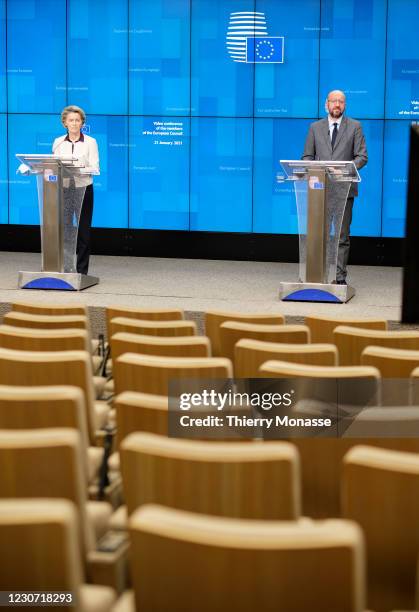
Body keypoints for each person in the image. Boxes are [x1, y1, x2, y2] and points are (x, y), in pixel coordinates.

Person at [302, 90, 367, 285]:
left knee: (341, 236)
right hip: (319, 190)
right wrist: (315, 170)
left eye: (340, 101)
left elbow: (362, 156)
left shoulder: (355, 126)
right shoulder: (315, 127)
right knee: (319, 237)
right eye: (333, 101)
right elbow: (307, 157)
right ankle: (317, 276)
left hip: (344, 190)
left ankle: (339, 279)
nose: (337, 105)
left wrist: (344, 171)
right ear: (326, 105)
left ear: (345, 105)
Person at [53, 105, 99, 275]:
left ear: (82, 123)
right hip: (64, 189)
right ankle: (66, 269)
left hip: (83, 188)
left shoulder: (91, 142)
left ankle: (81, 272)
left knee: (83, 232)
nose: (74, 123)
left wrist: (78, 168)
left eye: (77, 120)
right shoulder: (58, 142)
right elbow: (54, 166)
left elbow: (95, 167)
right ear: (64, 122)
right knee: (65, 230)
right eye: (70, 120)